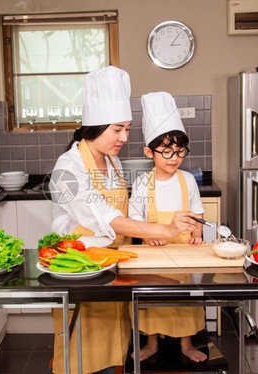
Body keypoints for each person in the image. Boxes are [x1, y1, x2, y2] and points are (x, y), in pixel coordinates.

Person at [49, 67, 201, 374]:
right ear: (96, 125)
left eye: (128, 129)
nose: (124, 137)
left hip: (112, 267)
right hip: (81, 270)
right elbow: (108, 217)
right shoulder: (68, 168)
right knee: (81, 353)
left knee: (115, 350)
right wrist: (164, 229)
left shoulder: (112, 160)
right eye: (118, 129)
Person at [128, 91, 208, 362]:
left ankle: (186, 344)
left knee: (185, 300)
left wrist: (197, 235)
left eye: (180, 151)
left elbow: (197, 216)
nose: (174, 158)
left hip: (184, 253)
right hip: (154, 256)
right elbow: (133, 220)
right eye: (166, 151)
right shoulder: (142, 183)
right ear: (149, 152)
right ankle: (151, 343)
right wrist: (149, 236)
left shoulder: (187, 180)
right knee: (152, 302)